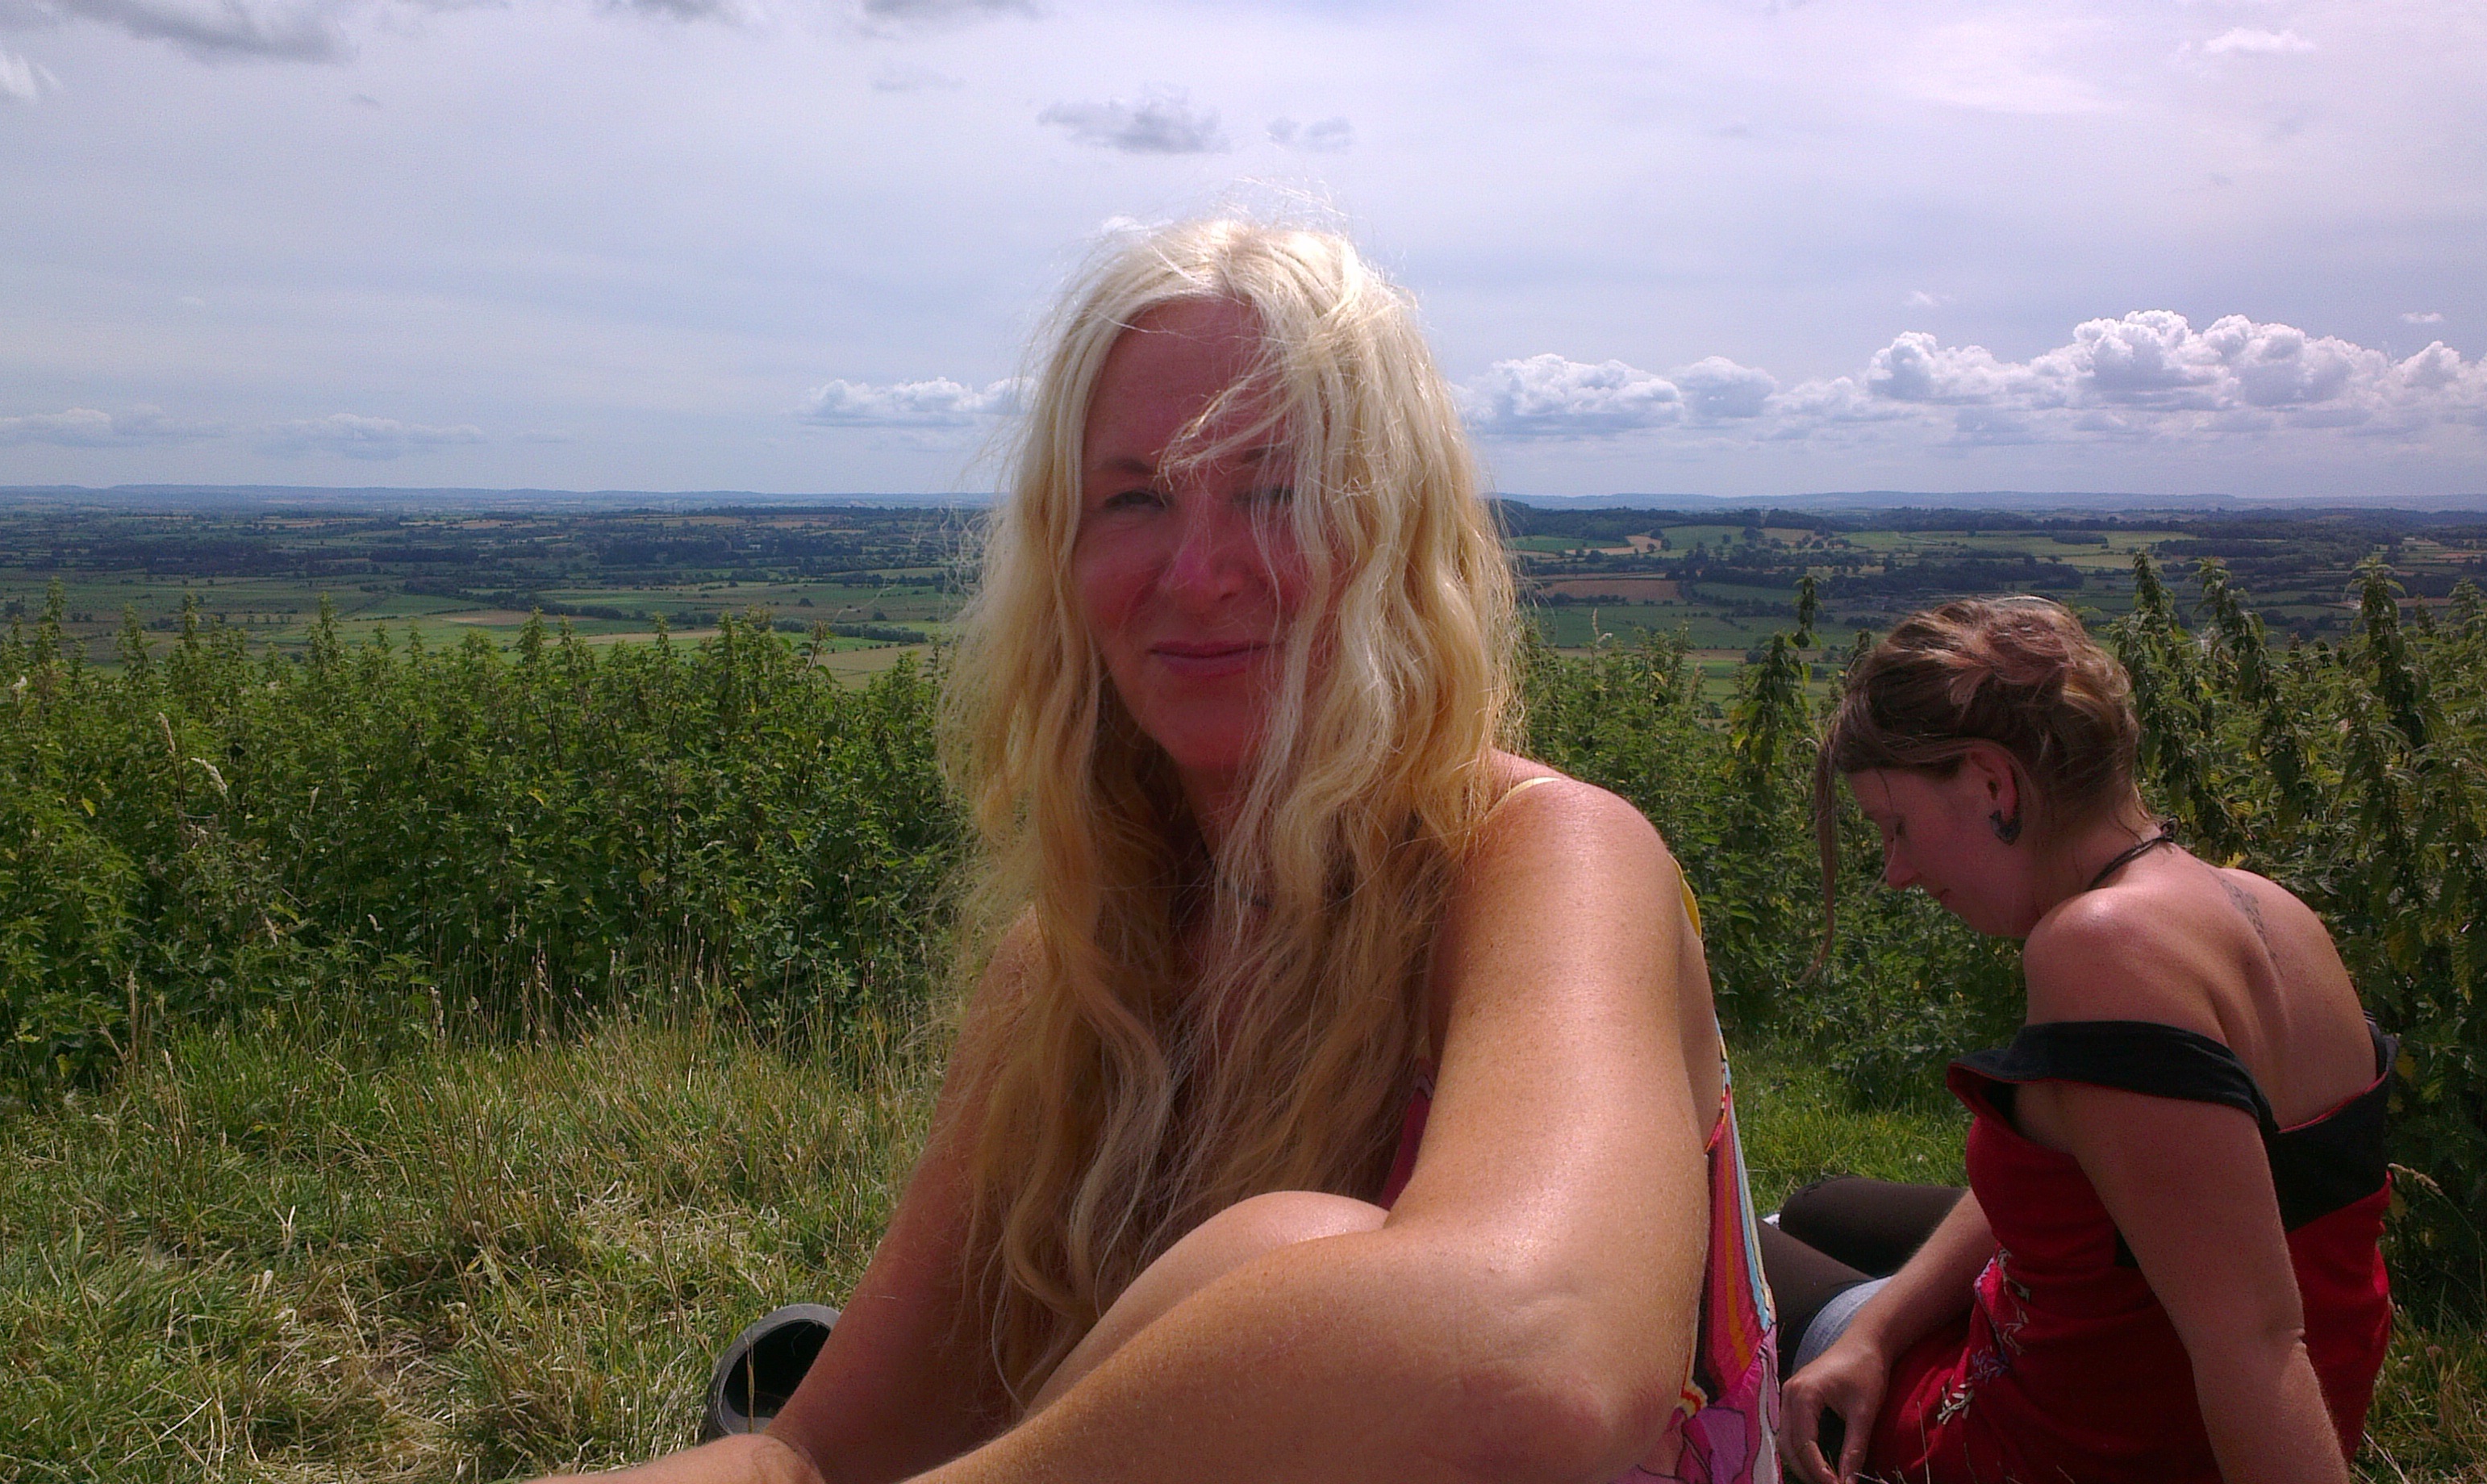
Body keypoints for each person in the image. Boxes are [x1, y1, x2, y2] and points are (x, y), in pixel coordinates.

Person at [540, 217, 1780, 1484]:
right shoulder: (1077, 963)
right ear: (1065, 557)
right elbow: (813, 1456)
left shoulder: (1544, 862)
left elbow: (1535, 1359)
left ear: (1398, 534)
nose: (1197, 572)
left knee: (1286, 1256)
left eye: (1279, 491)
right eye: (1134, 497)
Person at [1767, 597, 2395, 1484]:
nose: (1897, 872)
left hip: (2075, 1444)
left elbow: (2255, 1341)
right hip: (2196, 1378)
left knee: (1716, 1248)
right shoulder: (2267, 909)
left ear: (1994, 783)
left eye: (1897, 826)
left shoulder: (2099, 948)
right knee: (1822, 1205)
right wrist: (1876, 1331)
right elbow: (2129, 1177)